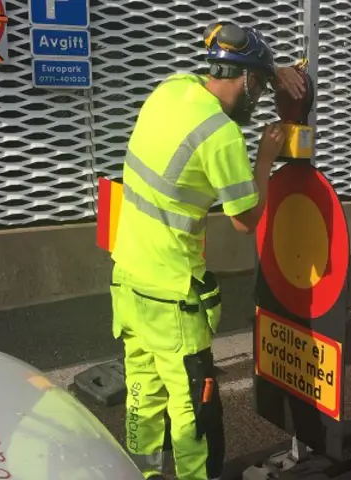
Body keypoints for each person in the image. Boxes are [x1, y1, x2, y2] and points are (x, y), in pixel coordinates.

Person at [107, 22, 306, 480]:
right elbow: (244, 219)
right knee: (194, 407)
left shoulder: (170, 90)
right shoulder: (221, 135)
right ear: (247, 81)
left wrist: (268, 68)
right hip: (174, 295)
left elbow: (224, 73)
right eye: (255, 86)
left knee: (142, 392)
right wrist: (264, 159)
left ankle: (145, 473)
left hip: (128, 279)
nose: (255, 98)